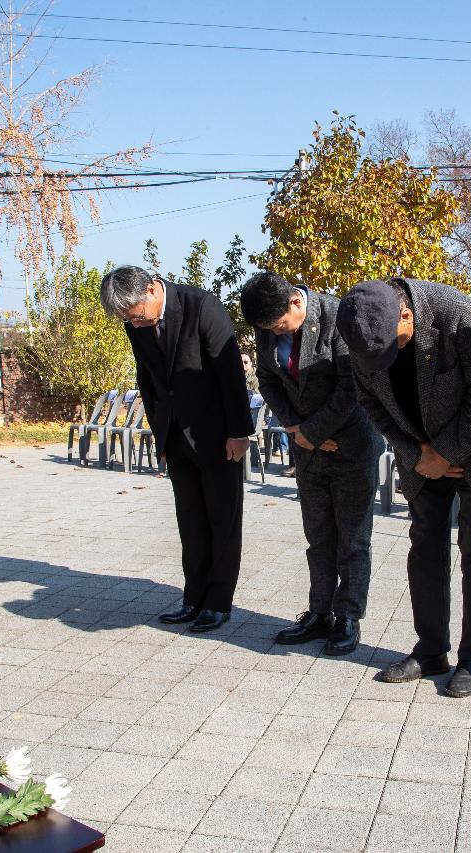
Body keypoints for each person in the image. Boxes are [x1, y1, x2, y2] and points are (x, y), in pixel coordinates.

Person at [336, 278, 471, 698]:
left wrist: (447, 452)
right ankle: (432, 650)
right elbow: (370, 404)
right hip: (421, 458)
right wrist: (418, 453)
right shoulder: (359, 329)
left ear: (407, 314)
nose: (382, 361)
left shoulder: (457, 314)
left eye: (393, 346)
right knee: (424, 553)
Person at [100, 266, 252, 633]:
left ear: (152, 290)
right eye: (128, 320)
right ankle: (193, 597)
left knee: (222, 519)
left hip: (218, 436)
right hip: (175, 438)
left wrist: (239, 432)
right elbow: (147, 379)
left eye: (136, 316)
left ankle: (218, 603)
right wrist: (160, 434)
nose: (134, 325)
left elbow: (230, 372)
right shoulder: (134, 321)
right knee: (191, 522)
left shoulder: (202, 306)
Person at [240, 272, 383, 656]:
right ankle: (319, 612)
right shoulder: (269, 324)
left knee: (353, 538)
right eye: (267, 329)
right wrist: (294, 428)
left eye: (279, 325)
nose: (274, 333)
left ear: (296, 303)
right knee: (318, 535)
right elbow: (268, 380)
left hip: (351, 442)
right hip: (307, 446)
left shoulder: (340, 317)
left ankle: (348, 617)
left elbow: (351, 385)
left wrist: (313, 431)